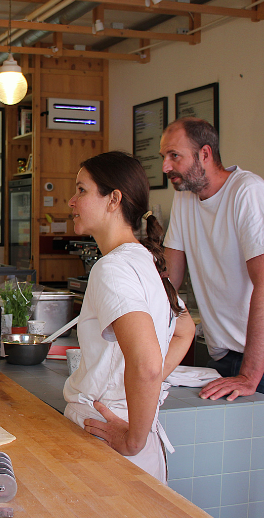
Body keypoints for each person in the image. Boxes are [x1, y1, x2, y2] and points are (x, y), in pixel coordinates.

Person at [161, 117, 264, 518]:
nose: (165, 166)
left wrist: (251, 375)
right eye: (164, 156)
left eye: (174, 155)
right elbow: (169, 280)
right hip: (228, 351)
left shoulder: (250, 195)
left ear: (205, 155)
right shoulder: (186, 200)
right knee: (229, 458)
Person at [63, 151, 195, 483]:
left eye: (81, 190)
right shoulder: (145, 261)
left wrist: (133, 438)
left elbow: (147, 364)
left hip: (111, 439)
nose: (71, 201)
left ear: (113, 200)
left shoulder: (113, 268)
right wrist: (136, 390)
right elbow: (184, 330)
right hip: (129, 438)